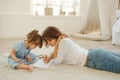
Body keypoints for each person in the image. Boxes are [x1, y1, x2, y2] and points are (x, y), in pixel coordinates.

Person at [42, 26, 120, 73]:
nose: (48, 44)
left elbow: (57, 61)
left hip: (94, 58)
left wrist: (56, 47)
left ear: (55, 36)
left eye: (49, 40)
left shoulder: (63, 42)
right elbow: (56, 54)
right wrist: (49, 57)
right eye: (47, 42)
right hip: (94, 54)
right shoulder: (62, 42)